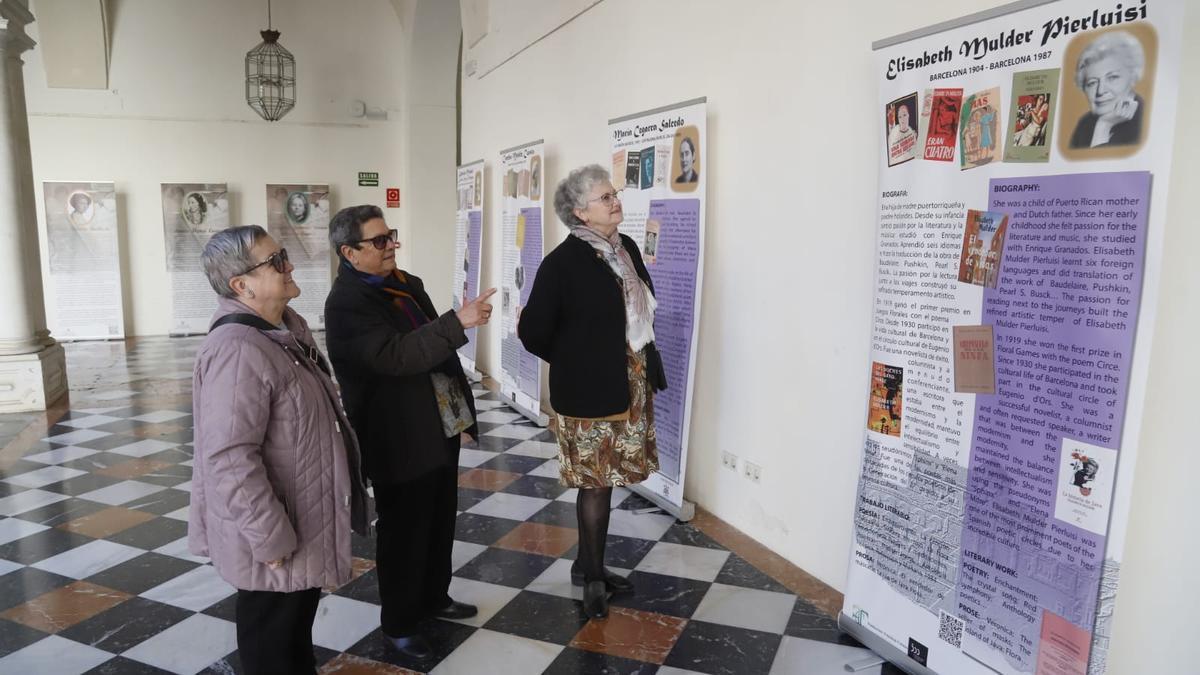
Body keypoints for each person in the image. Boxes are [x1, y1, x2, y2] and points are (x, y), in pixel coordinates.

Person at [190, 225, 370, 675]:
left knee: (293, 636)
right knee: (271, 641)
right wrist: (269, 537)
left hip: (301, 516)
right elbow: (229, 458)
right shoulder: (238, 350)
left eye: (284, 254)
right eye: (276, 261)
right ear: (241, 285)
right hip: (274, 530)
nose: (290, 265)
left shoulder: (284, 330)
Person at [323, 205, 496, 660]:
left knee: (439, 517)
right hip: (397, 434)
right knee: (404, 530)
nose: (391, 246)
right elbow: (395, 355)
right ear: (349, 252)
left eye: (391, 236)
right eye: (378, 241)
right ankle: (399, 623)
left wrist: (460, 416)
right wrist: (458, 322)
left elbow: (434, 353)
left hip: (437, 421)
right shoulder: (346, 304)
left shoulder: (406, 283)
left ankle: (433, 597)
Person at [519, 165, 663, 620]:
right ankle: (594, 577)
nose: (615, 201)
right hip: (588, 389)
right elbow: (533, 332)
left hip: (627, 381)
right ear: (580, 212)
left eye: (614, 193)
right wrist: (576, 358)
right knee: (595, 483)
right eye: (605, 197)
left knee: (612, 475)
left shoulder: (626, 249)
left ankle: (588, 561)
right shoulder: (562, 264)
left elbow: (638, 308)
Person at [1069, 30, 1146, 149]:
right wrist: (1104, 125)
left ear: (1132, 77)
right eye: (1092, 83)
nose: (1100, 91)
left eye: (1112, 77)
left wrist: (1104, 126)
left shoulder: (1145, 121)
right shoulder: (1084, 125)